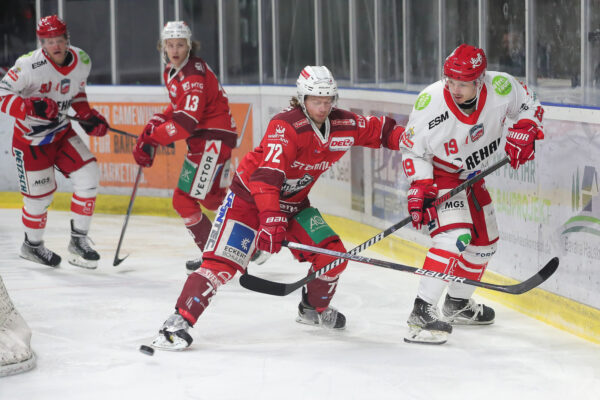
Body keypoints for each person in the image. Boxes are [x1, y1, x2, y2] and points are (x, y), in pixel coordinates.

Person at [150, 65, 404, 350]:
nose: (323, 107)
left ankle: (312, 308)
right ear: (302, 98)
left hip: (294, 206)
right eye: (316, 100)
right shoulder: (286, 126)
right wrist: (270, 219)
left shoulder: (341, 125)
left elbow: (378, 131)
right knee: (220, 265)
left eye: (328, 100)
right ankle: (177, 323)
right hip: (248, 203)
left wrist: (407, 139)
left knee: (333, 255)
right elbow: (266, 177)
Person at [398, 44, 545, 344]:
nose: (454, 89)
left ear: (480, 80)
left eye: (463, 83)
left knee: (485, 245)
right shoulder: (431, 102)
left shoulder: (502, 86)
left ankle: (457, 303)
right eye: (450, 81)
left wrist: (527, 127)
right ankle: (422, 311)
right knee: (455, 237)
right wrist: (421, 185)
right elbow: (411, 149)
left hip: (472, 176)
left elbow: (530, 104)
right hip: (440, 174)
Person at [0, 15, 108, 269]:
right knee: (39, 198)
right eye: (48, 41)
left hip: (61, 132)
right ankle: (32, 246)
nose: (55, 46)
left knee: (89, 174)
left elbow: (76, 90)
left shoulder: (82, 59)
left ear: (67, 38)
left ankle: (79, 240)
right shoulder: (28, 65)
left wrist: (87, 115)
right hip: (31, 140)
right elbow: (2, 94)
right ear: (42, 43)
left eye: (59, 40)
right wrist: (31, 106)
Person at [132, 21, 240, 274]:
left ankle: (213, 256)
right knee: (213, 199)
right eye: (170, 45)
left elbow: (186, 122)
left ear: (189, 46)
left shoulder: (192, 74)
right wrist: (160, 119)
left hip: (210, 140)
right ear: (163, 47)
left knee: (183, 200)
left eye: (180, 44)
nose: (175, 49)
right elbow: (179, 109)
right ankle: (249, 240)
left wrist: (153, 138)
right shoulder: (174, 70)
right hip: (214, 139)